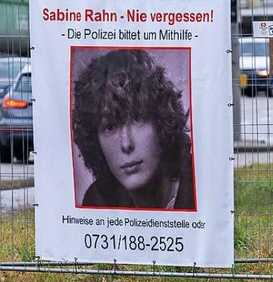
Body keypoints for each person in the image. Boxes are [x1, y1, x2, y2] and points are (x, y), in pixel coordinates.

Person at [72, 49, 195, 210]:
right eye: (110, 127)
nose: (126, 144)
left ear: (162, 121)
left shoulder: (199, 182)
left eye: (138, 119)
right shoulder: (98, 199)